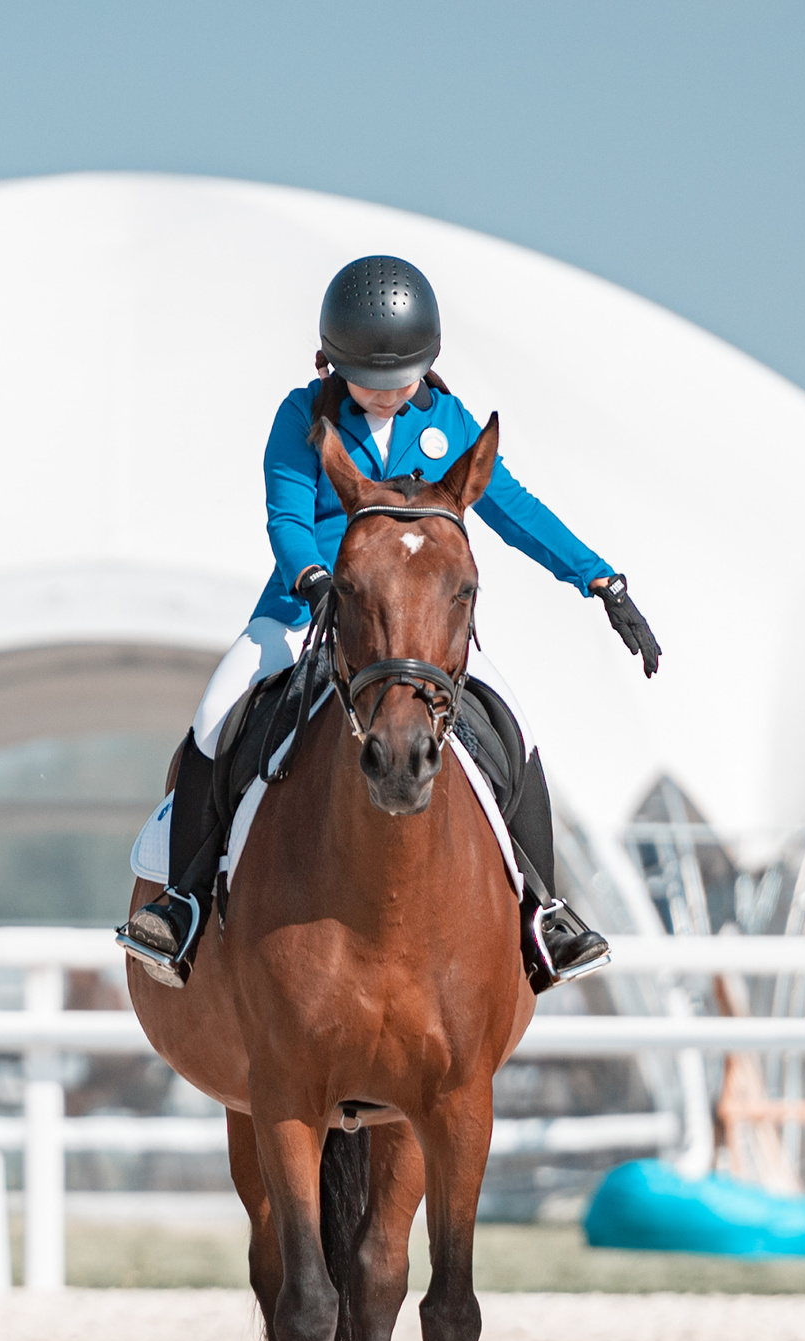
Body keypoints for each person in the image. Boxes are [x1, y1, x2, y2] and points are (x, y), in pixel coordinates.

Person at [117, 254, 661, 990]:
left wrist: (600, 577)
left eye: (401, 379)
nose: (384, 395)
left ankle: (545, 911)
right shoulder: (302, 416)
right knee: (216, 718)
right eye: (368, 382)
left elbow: (516, 511)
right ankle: (182, 905)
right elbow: (286, 516)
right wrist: (313, 580)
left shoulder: (448, 422)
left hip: (420, 630)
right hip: (307, 606)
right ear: (334, 364)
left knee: (517, 731)